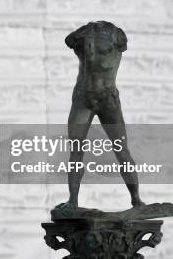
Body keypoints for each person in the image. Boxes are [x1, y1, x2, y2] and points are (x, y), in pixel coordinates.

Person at [56, 21, 145, 211]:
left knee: (121, 150)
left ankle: (136, 199)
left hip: (107, 100)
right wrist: (89, 29)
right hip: (83, 98)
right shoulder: (85, 35)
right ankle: (72, 201)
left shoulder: (116, 35)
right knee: (76, 150)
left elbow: (121, 44)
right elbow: (68, 40)